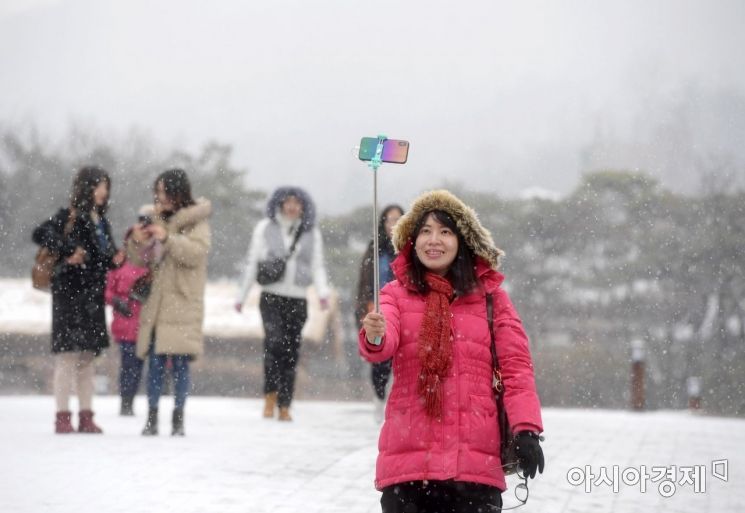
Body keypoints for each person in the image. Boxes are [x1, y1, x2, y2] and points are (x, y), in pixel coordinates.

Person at [360, 189, 544, 512]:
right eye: (426, 232)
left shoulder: (491, 299)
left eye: (445, 232)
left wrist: (526, 428)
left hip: (473, 469)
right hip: (409, 468)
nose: (435, 240)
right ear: (412, 241)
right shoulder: (395, 294)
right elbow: (381, 344)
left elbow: (516, 367)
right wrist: (374, 335)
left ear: (462, 241)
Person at [32, 165, 124, 434]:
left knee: (87, 358)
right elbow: (40, 233)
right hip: (69, 294)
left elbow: (101, 258)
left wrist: (115, 260)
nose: (104, 192)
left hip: (93, 297)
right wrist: (68, 249)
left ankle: (86, 415)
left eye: (107, 187)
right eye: (100, 186)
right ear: (87, 188)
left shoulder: (101, 221)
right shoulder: (68, 215)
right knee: (67, 357)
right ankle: (62, 417)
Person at [235, 186, 330, 422]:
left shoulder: (311, 232)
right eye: (287, 202)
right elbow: (252, 262)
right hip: (271, 296)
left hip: (298, 297)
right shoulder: (265, 228)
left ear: (303, 207)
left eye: (297, 203)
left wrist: (322, 292)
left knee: (291, 350)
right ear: (279, 204)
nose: (292, 206)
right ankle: (270, 395)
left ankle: (285, 403)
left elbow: (317, 264)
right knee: (274, 344)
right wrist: (241, 295)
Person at [129, 169, 211, 436]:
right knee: (154, 361)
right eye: (157, 191)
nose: (160, 197)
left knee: (180, 364)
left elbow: (196, 254)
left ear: (178, 192)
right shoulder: (153, 218)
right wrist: (137, 241)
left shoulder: (197, 222)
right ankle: (152, 418)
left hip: (183, 300)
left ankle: (178, 418)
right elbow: (140, 260)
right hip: (157, 301)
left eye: (164, 191)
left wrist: (168, 238)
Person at [355, 204, 404, 422]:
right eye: (389, 219)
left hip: (404, 309)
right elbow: (365, 280)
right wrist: (365, 304)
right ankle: (379, 398)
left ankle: (398, 403)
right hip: (378, 308)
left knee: (402, 358)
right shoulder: (375, 249)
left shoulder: (409, 248)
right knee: (380, 358)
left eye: (398, 219)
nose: (393, 224)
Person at [104, 207, 154, 416]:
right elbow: (106, 289)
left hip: (147, 321)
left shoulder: (155, 259)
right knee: (128, 365)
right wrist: (117, 301)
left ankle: (145, 402)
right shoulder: (120, 259)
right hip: (125, 321)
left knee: (144, 366)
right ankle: (126, 402)